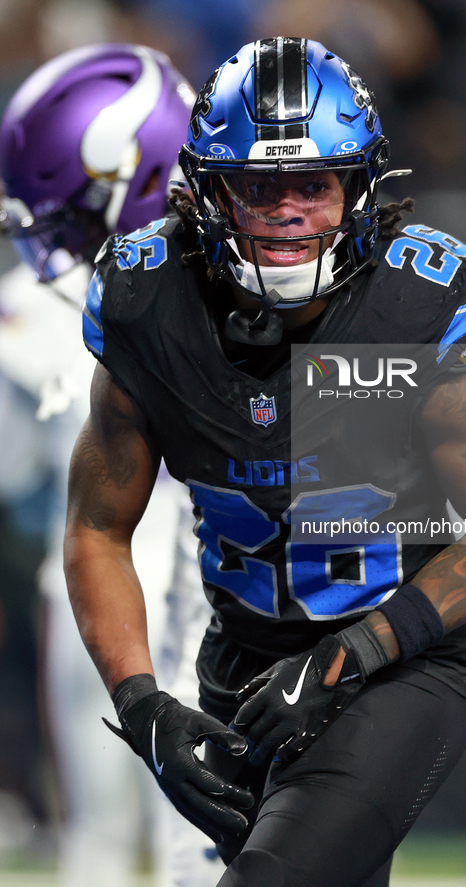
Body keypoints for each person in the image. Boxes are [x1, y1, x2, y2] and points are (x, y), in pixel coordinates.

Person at [63, 37, 466, 887]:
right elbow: (98, 529)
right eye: (257, 187)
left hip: (398, 657)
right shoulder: (148, 300)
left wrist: (347, 657)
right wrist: (140, 705)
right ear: (208, 191)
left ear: (358, 188)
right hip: (242, 664)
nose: (287, 211)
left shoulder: (419, 303)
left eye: (312, 185)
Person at [0, 43, 222, 887]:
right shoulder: (43, 307)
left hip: (217, 599)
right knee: (108, 847)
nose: (51, 235)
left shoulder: (252, 278)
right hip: (105, 590)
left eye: (68, 212)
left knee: (205, 847)